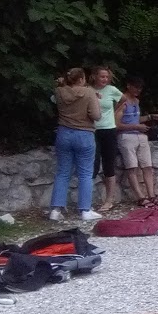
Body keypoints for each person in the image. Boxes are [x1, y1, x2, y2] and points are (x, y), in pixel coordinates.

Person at [50, 68, 103, 222]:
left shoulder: (59, 92)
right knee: (85, 173)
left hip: (64, 133)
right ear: (81, 79)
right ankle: (85, 210)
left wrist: (62, 83)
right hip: (84, 134)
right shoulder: (89, 93)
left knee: (62, 172)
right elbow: (96, 115)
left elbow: (54, 98)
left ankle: (55, 209)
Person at [116, 76, 158, 206]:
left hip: (139, 134)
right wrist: (136, 127)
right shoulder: (122, 102)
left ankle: (152, 195)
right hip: (126, 136)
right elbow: (116, 124)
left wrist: (151, 116)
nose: (138, 90)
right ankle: (141, 197)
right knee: (132, 167)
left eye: (140, 88)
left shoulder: (136, 101)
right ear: (128, 86)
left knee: (147, 166)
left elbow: (135, 119)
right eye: (136, 87)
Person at [89, 65, 123, 211]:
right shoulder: (89, 90)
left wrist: (115, 113)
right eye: (102, 76)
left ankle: (109, 200)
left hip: (109, 129)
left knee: (109, 164)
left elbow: (123, 100)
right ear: (95, 76)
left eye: (106, 77)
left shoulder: (112, 90)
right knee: (93, 165)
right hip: (93, 130)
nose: (104, 79)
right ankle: (87, 201)